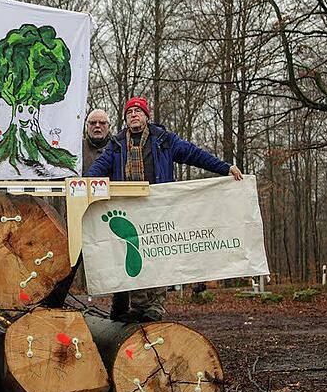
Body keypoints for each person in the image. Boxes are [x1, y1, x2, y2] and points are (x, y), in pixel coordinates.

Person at [86, 96, 243, 322]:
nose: (134, 116)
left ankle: (155, 307)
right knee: (134, 256)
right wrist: (81, 184)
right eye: (129, 113)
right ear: (125, 119)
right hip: (130, 209)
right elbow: (98, 168)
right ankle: (139, 307)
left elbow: (194, 154)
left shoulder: (164, 140)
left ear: (147, 116)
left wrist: (225, 168)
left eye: (138, 112)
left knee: (157, 256)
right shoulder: (117, 144)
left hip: (158, 208)